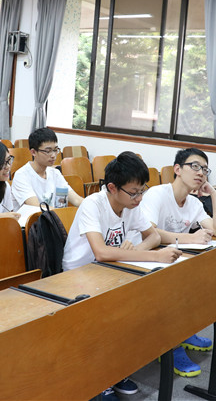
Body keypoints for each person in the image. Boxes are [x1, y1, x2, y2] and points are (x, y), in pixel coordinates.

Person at [62, 151, 180, 399]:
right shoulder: (93, 204)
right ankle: (98, 380)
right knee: (113, 313)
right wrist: (153, 256)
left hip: (109, 272)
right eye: (134, 192)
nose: (139, 198)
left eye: (142, 190)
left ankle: (115, 369)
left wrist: (135, 251)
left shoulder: (130, 205)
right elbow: (101, 252)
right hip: (77, 278)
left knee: (140, 305)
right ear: (112, 188)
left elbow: (154, 236)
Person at [138, 147, 216, 377]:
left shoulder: (194, 203)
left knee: (201, 280)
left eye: (205, 169)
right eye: (195, 166)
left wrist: (213, 194)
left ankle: (184, 332)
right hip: (147, 261)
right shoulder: (158, 194)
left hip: (173, 262)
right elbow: (149, 232)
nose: (200, 173)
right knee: (174, 289)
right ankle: (171, 346)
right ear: (177, 169)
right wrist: (190, 238)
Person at [11, 127, 83, 208]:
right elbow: (37, 207)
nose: (53, 155)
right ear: (33, 152)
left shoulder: (55, 173)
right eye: (48, 151)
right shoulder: (21, 175)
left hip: (53, 215)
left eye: (55, 150)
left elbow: (76, 200)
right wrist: (60, 213)